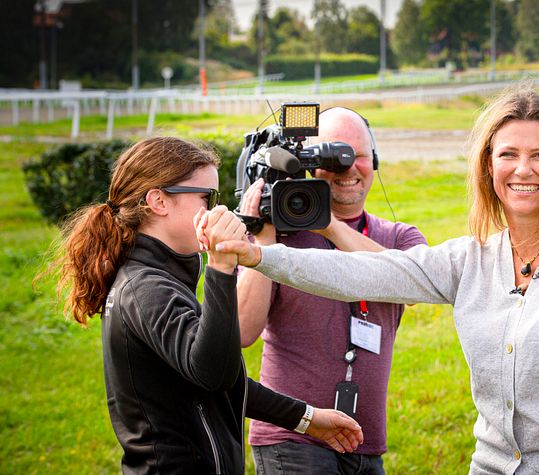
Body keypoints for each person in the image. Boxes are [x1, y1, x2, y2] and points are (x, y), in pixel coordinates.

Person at [216, 89, 539, 474]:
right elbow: (366, 272)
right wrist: (260, 254)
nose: (522, 170)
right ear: (488, 168)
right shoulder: (471, 259)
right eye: (508, 154)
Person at [51, 136, 363, 474]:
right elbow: (213, 373)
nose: (217, 209)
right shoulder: (145, 289)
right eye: (206, 197)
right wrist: (221, 266)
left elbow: (222, 375)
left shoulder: (162, 278)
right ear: (158, 201)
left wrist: (306, 419)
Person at [236, 107, 427, 474]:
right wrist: (264, 240)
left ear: (375, 160)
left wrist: (329, 228)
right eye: (333, 157)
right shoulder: (279, 235)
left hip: (366, 441)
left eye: (356, 156)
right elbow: (243, 331)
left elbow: (413, 282)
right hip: (293, 437)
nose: (347, 169)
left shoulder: (400, 239)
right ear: (308, 164)